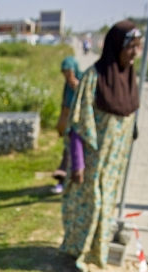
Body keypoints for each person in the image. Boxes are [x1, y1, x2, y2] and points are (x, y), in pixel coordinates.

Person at [60, 21, 141, 272]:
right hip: (93, 164)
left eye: (138, 48)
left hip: (114, 165)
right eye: (130, 48)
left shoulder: (129, 78)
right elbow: (77, 124)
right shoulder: (94, 78)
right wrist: (78, 162)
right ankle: (79, 256)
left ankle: (96, 254)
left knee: (106, 208)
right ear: (116, 47)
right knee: (91, 207)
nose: (135, 53)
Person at [51, 56, 83, 195]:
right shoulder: (66, 85)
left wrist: (78, 88)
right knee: (67, 151)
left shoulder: (82, 80)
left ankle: (65, 179)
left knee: (74, 154)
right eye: (64, 72)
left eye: (68, 71)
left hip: (79, 124)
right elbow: (64, 103)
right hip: (68, 122)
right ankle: (63, 180)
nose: (66, 75)